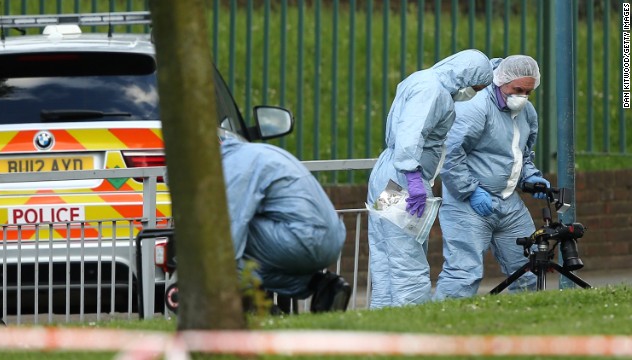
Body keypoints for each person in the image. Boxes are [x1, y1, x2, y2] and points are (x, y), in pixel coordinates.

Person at [367, 49, 494, 309]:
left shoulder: (422, 80)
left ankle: (381, 320)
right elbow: (411, 135)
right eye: (477, 87)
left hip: (388, 173)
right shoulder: (432, 91)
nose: (474, 92)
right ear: (467, 76)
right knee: (407, 257)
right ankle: (411, 325)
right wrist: (413, 179)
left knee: (385, 256)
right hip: (404, 179)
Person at [433, 55, 549, 300]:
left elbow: (522, 155)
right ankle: (444, 327)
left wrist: (531, 178)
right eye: (518, 90)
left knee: (529, 270)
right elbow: (450, 154)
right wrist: (470, 190)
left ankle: (529, 324)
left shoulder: (526, 112)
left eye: (528, 91)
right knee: (463, 274)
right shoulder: (476, 109)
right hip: (468, 205)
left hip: (509, 204)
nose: (523, 96)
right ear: (500, 81)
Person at [220, 134, 350, 313]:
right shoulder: (254, 152)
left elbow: (230, 229)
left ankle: (257, 307)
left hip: (304, 238)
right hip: (333, 238)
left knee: (219, 238)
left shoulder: (232, 167)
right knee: (252, 262)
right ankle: (321, 286)